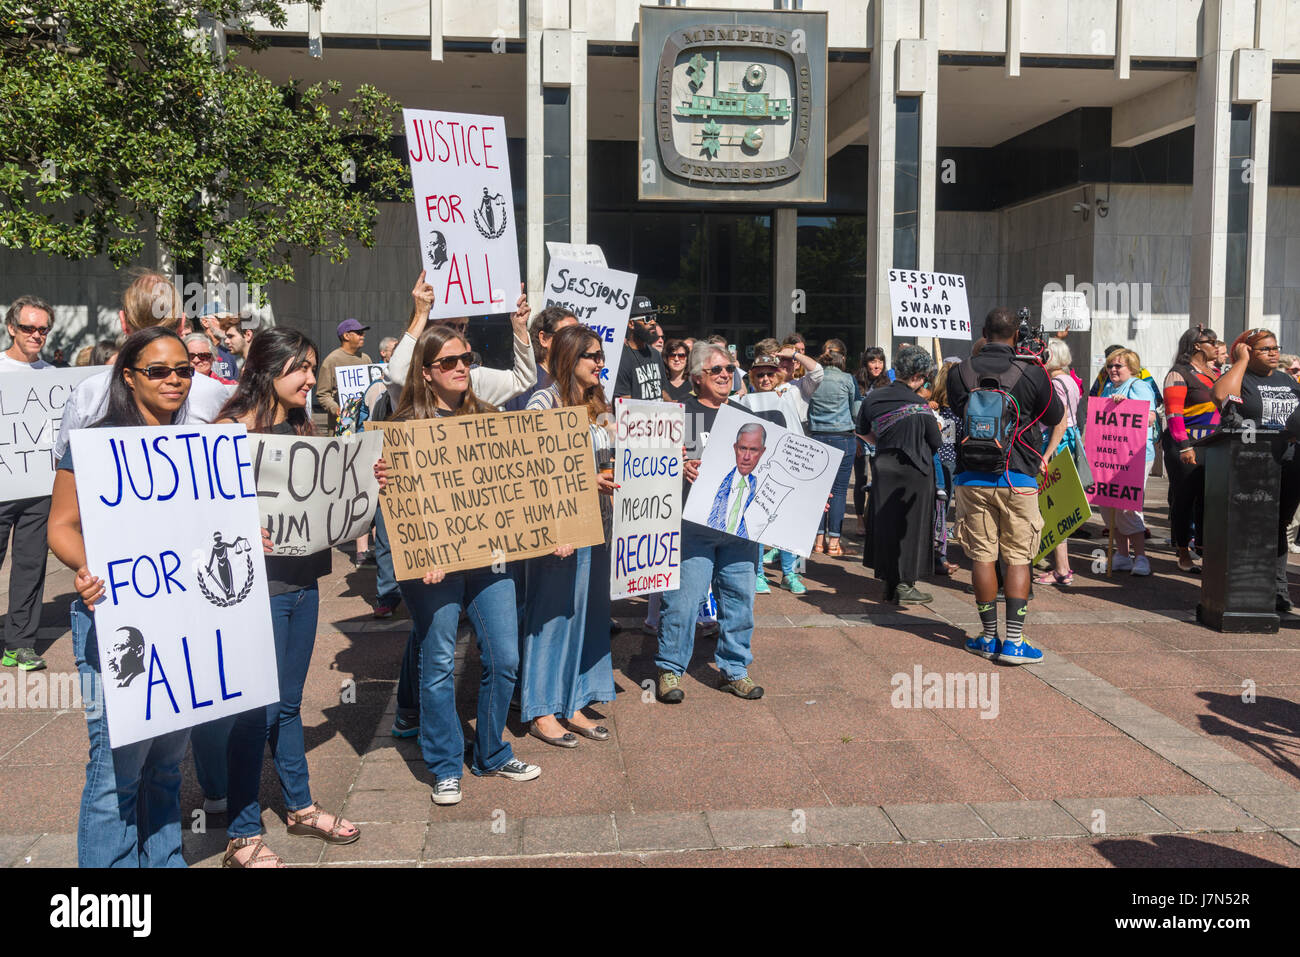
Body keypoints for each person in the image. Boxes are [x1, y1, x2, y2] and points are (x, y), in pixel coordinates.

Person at [213, 327, 385, 866]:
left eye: (312, 368)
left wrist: (367, 478)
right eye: (301, 368)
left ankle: (300, 806)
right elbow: (205, 514)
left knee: (288, 703)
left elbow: (323, 495)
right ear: (268, 369)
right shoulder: (227, 431)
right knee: (251, 709)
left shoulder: (300, 425)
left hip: (303, 581)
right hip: (253, 587)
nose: (311, 378)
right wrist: (243, 528)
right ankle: (241, 833)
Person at [46, 326, 196, 867]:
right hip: (114, 621)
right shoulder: (95, 442)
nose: (174, 380)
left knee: (166, 765)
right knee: (116, 770)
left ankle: (164, 861)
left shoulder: (197, 444)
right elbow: (60, 526)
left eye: (184, 369)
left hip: (180, 620)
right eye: (159, 371)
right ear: (129, 377)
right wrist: (85, 568)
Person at [391, 324, 540, 805]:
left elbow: (521, 483)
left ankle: (492, 752)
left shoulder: (489, 417)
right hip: (430, 563)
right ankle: (443, 764)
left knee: (505, 658)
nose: (461, 368)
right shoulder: (404, 425)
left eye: (466, 359)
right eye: (449, 362)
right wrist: (421, 550)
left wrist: (557, 525)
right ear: (426, 373)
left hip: (488, 557)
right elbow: (392, 498)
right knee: (437, 662)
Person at [655, 342, 779, 704]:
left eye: (730, 369)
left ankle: (735, 670)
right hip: (693, 527)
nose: (727, 375)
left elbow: (768, 466)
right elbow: (653, 468)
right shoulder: (681, 415)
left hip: (739, 529)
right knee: (682, 601)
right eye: (717, 370)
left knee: (740, 601)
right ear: (696, 378)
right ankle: (669, 669)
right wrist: (677, 464)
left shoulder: (744, 417)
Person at [948, 307, 1065, 665]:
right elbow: (1055, 418)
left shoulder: (960, 372)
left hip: (971, 478)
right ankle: (1014, 643)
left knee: (982, 557)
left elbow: (957, 412)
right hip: (1019, 477)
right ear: (1017, 335)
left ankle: (987, 637)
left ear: (983, 332)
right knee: (1018, 556)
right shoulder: (1032, 372)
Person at [521, 325, 618, 747]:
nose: (600, 363)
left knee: (588, 615)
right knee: (552, 617)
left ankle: (574, 700)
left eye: (601, 356)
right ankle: (541, 710)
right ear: (569, 359)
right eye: (592, 356)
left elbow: (617, 456)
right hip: (558, 527)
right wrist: (586, 478)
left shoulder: (600, 404)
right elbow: (530, 468)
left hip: (599, 525)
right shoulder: (543, 402)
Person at [55, 270, 235, 461]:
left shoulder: (87, 392)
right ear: (183, 324)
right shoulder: (212, 392)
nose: (173, 381)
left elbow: (63, 467)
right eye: (155, 373)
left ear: (123, 322)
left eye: (182, 373)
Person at [1212, 328, 1300, 613]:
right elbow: (1221, 396)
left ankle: (1278, 589)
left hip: (1290, 460)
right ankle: (1250, 588)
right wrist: (1239, 362)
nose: (1274, 353)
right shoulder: (1241, 377)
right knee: (1256, 524)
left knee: (1278, 525)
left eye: (1276, 347)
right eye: (1265, 349)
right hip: (1253, 461)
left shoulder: (1287, 380)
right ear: (1247, 350)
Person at [859, 345, 942, 604]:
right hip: (915, 474)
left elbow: (861, 430)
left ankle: (888, 583)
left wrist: (882, 443)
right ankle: (905, 584)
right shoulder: (920, 405)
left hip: (883, 469)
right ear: (917, 376)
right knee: (911, 529)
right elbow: (936, 442)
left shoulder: (873, 398)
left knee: (886, 525)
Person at [0, 295, 56, 672]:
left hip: (39, 486)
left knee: (31, 565)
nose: (37, 335)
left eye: (43, 329)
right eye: (29, 328)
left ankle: (20, 644)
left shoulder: (54, 375)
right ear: (11, 328)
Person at [742, 356, 806, 595]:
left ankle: (790, 573)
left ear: (778, 375)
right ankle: (758, 573)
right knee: (756, 524)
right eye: (760, 375)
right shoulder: (743, 401)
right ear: (753, 378)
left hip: (783, 471)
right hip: (755, 472)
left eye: (770, 374)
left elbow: (796, 437)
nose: (765, 379)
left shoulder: (786, 401)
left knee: (786, 523)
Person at [1163, 327, 1220, 572]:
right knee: (1184, 498)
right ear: (1197, 345)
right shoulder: (1179, 374)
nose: (1217, 346)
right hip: (1188, 445)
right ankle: (1183, 550)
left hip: (1215, 445)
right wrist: (1185, 446)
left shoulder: (1216, 373)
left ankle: (1205, 550)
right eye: (1212, 341)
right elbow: (1174, 414)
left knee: (1209, 501)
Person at [1098, 349, 1160, 576]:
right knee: (1109, 503)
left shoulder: (1138, 386)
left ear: (1131, 368)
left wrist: (1125, 406)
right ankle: (1122, 555)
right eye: (1110, 366)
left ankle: (1141, 557)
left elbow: (1151, 417)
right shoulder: (1108, 387)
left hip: (1135, 456)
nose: (1113, 370)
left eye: (1118, 366)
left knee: (1128, 504)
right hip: (1110, 456)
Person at [1034, 338, 1085, 586]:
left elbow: (1060, 420)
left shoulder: (1055, 383)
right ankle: (1060, 567)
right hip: (1068, 442)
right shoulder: (1069, 380)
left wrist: (1045, 453)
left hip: (1055, 444)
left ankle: (1062, 568)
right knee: (1058, 505)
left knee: (1052, 507)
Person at [807, 340, 857, 557]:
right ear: (842, 358)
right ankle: (834, 542)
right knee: (838, 492)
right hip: (843, 436)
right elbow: (856, 409)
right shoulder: (847, 378)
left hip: (817, 435)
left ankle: (817, 541)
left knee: (818, 491)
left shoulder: (814, 377)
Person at [502, 305, 577, 411]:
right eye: (568, 335)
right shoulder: (526, 383)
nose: (576, 342)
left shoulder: (576, 381)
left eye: (580, 336)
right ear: (544, 339)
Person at [853, 346, 892, 522]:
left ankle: (874, 516)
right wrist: (856, 439)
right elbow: (851, 413)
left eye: (880, 361)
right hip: (859, 436)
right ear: (865, 364)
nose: (877, 365)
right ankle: (860, 519)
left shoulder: (888, 384)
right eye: (872, 361)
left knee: (879, 477)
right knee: (860, 478)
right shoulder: (855, 382)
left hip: (880, 437)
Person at [930, 361, 960, 577]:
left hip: (934, 460)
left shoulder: (933, 407)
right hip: (947, 463)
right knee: (941, 513)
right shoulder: (954, 410)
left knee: (934, 511)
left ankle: (935, 556)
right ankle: (939, 558)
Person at [317, 318, 372, 433]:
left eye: (363, 333)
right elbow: (323, 394)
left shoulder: (366, 359)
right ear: (346, 336)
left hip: (363, 424)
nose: (363, 336)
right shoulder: (332, 360)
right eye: (359, 333)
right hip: (340, 426)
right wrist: (336, 408)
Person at [613, 296, 668, 401]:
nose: (652, 323)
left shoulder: (655, 354)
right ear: (631, 324)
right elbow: (624, 402)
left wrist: (677, 410)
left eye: (653, 317)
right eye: (647, 319)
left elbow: (663, 391)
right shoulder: (622, 359)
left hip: (660, 416)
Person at [196, 302, 241, 380]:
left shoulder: (229, 353)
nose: (226, 324)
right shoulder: (195, 352)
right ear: (205, 322)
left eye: (228, 320)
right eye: (221, 320)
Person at [218, 308, 261, 375]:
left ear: (248, 335)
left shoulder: (261, 367)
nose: (226, 341)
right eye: (226, 337)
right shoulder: (249, 365)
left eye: (231, 336)